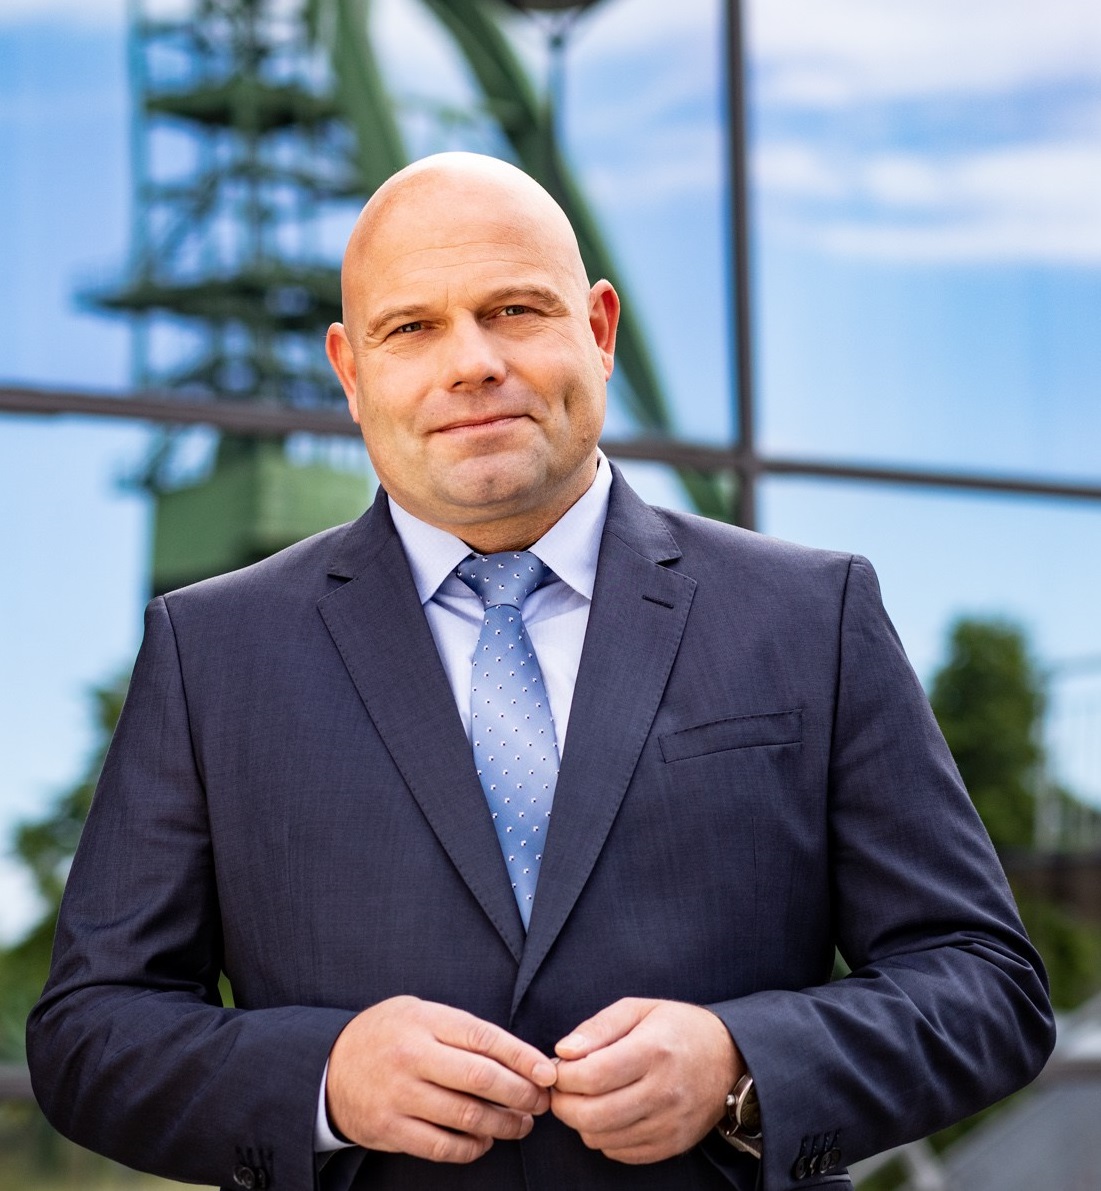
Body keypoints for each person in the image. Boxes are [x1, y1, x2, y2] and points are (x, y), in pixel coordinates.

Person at [28, 153, 1054, 1191]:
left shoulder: (810, 616)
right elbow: (90, 1034)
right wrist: (326, 1080)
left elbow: (985, 986)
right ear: (350, 372)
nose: (471, 363)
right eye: (411, 327)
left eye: (513, 310)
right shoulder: (212, 652)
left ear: (598, 330)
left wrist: (741, 1066)